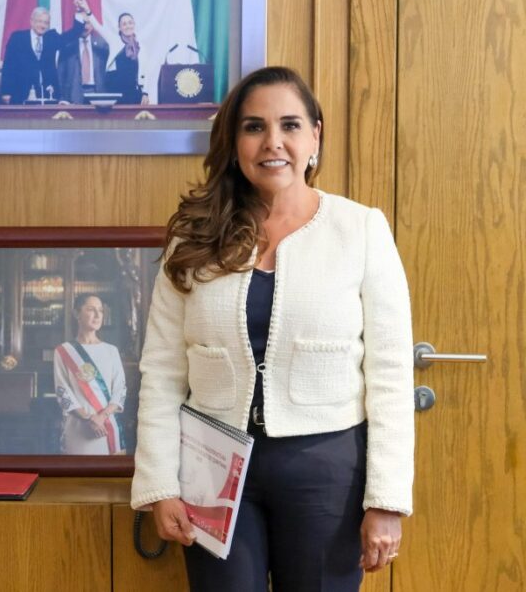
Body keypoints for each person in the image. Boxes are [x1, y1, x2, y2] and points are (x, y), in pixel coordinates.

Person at [130, 66, 414, 591]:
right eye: (254, 127)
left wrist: (386, 500)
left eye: (290, 125)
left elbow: (391, 374)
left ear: (315, 136)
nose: (273, 142)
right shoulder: (194, 238)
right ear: (234, 141)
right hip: (212, 467)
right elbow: (162, 371)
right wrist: (159, 483)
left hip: (326, 470)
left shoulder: (361, 230)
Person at [53, 294, 127, 455]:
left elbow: (120, 389)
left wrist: (102, 417)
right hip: (79, 427)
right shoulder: (64, 351)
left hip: (107, 425)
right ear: (77, 313)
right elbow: (63, 391)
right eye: (91, 309)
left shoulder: (111, 351)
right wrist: (88, 418)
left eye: (101, 310)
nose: (98, 315)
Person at [0, 7, 60, 104]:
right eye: (40, 21)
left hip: (47, 94)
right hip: (20, 93)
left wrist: (79, 16)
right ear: (32, 22)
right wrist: (6, 91)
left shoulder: (51, 38)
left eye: (46, 23)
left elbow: (68, 38)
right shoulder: (17, 38)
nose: (43, 26)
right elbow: (8, 66)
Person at [56, 0, 110, 104]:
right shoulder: (68, 45)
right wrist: (62, 98)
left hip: (98, 93)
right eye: (83, 23)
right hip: (73, 95)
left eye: (88, 23)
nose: (85, 27)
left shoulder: (102, 44)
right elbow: (61, 73)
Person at [105, 13, 149, 105]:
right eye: (124, 24)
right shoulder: (114, 41)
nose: (128, 26)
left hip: (135, 94)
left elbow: (146, 71)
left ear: (134, 25)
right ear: (119, 27)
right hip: (116, 94)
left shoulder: (141, 47)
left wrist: (145, 93)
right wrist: (88, 12)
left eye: (130, 23)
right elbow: (98, 27)